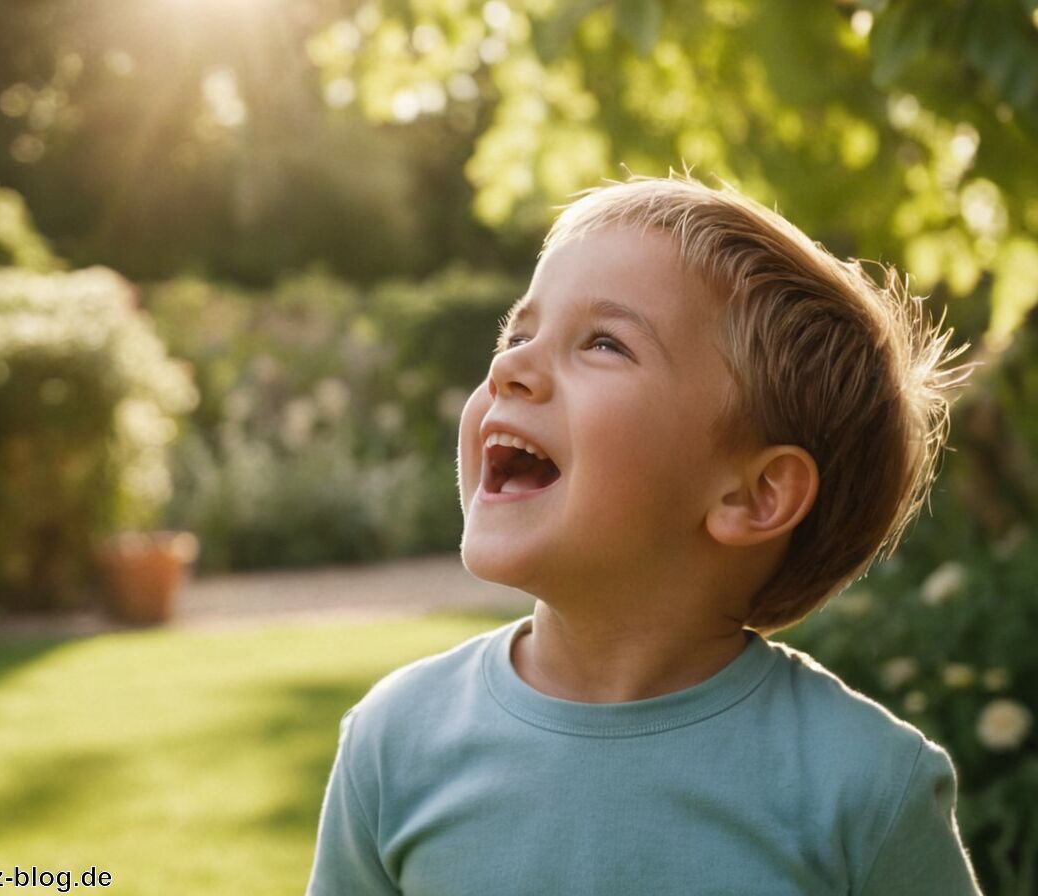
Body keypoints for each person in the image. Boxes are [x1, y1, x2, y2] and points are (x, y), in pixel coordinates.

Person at [306, 176, 982, 895]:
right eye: (519, 332)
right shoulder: (394, 743)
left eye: (602, 343)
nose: (508, 367)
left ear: (753, 495)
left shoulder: (865, 788)